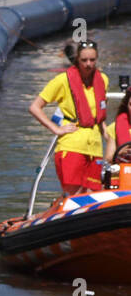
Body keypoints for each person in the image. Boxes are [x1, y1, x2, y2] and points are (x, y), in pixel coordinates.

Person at [29, 39, 109, 197]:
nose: (88, 64)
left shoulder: (103, 80)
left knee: (94, 195)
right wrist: (56, 129)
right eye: (84, 60)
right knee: (75, 195)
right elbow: (34, 107)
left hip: (95, 147)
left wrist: (107, 135)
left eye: (92, 60)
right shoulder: (63, 80)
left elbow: (98, 115)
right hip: (71, 145)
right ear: (77, 60)